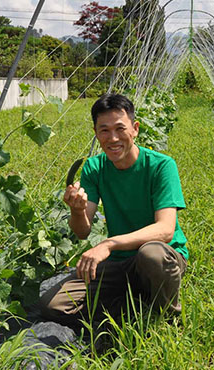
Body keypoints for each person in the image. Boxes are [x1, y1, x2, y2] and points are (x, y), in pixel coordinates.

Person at [39, 93, 188, 329]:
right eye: (104, 130)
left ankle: (167, 318)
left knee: (151, 255)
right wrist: (77, 211)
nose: (113, 138)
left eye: (120, 128)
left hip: (159, 254)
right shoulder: (94, 167)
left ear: (135, 129)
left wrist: (107, 244)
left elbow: (165, 230)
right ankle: (134, 305)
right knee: (53, 304)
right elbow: (82, 232)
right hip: (120, 261)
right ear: (96, 133)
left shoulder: (161, 166)